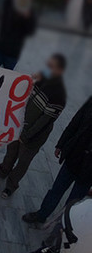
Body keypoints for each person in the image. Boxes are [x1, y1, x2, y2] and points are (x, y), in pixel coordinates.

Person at [0, 54, 67, 198]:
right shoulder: (42, 79)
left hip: (33, 137)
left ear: (60, 71)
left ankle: (11, 185)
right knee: (11, 152)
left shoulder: (59, 96)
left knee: (23, 162)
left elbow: (44, 122)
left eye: (51, 67)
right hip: (19, 126)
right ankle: (3, 171)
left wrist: (26, 136)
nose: (47, 69)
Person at [23, 96, 92, 225]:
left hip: (89, 171)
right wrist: (61, 144)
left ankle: (62, 228)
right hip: (74, 156)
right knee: (56, 190)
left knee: (74, 203)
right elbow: (75, 122)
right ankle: (41, 215)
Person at [0, 0, 36, 70]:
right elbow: (3, 23)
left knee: (7, 74)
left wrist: (27, 19)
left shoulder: (30, 13)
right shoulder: (11, 6)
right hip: (1, 47)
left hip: (13, 52)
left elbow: (30, 31)